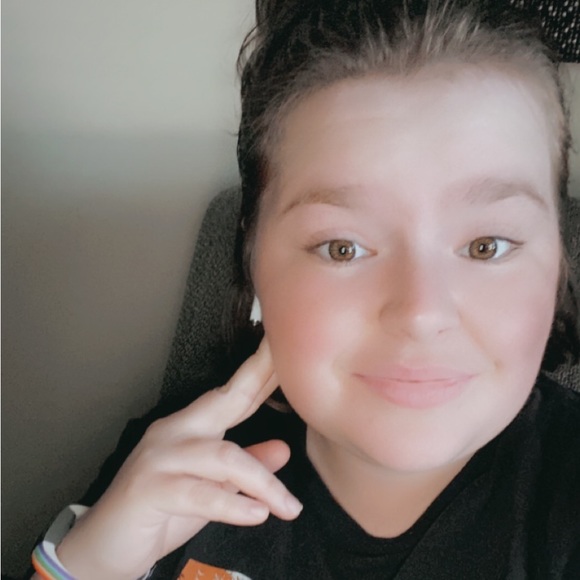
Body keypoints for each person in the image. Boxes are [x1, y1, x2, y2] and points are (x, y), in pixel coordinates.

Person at [31, 0, 580, 578]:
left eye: (486, 246)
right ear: (252, 263)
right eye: (342, 248)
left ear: (559, 265)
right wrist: (91, 563)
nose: (421, 312)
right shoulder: (170, 467)